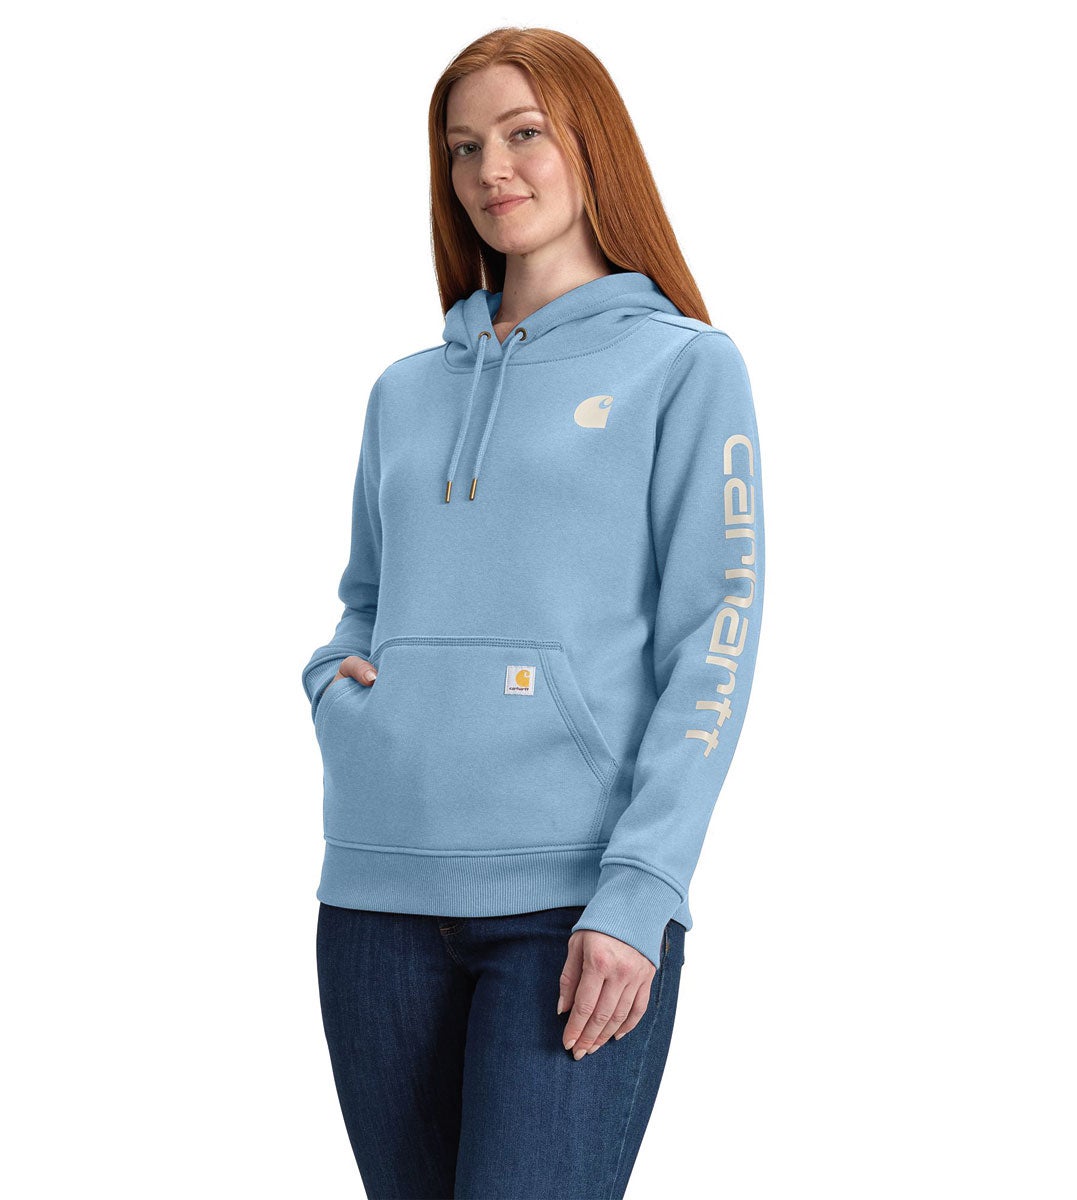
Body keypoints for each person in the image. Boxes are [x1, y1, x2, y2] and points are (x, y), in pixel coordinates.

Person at [303, 26, 766, 1199]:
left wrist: (641, 892)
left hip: (574, 905)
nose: (491, 170)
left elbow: (715, 636)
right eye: (463, 147)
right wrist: (337, 689)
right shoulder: (405, 390)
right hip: (375, 899)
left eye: (523, 134)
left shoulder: (685, 368)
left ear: (591, 143)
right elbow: (366, 599)